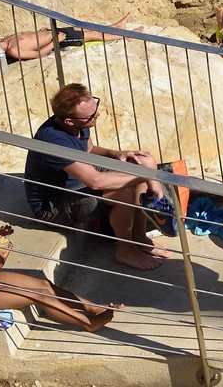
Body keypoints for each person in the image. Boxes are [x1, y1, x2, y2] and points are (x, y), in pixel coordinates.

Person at [22, 84, 169, 271]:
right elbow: (95, 181)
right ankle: (125, 250)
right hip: (53, 205)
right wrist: (148, 176)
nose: (97, 115)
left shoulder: (79, 123)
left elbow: (89, 149)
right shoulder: (54, 141)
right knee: (123, 192)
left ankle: (139, 236)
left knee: (139, 161)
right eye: (91, 115)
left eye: (95, 108)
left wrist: (117, 154)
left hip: (78, 182)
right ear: (68, 121)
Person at [0, 194, 119, 331]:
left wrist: (0, 237)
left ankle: (90, 307)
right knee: (39, 295)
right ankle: (87, 322)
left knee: (44, 285)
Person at [0, 15, 137, 64]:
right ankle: (126, 35)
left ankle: (116, 25)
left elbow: (30, 37)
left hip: (52, 32)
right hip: (59, 38)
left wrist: (41, 32)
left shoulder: (7, 40)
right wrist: (56, 42)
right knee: (91, 35)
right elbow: (37, 54)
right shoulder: (12, 50)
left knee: (86, 28)